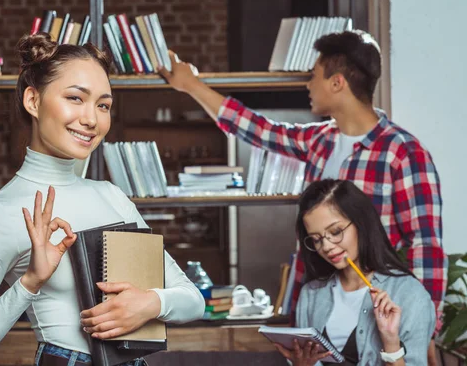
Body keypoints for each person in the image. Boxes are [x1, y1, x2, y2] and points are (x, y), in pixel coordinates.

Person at [159, 30, 446, 362]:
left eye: (314, 76)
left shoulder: (403, 153)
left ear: (337, 82)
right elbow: (257, 129)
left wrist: (426, 330)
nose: (308, 85)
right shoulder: (319, 140)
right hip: (320, 304)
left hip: (378, 311)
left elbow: (426, 244)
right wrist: (192, 86)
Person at [0, 33, 205, 366]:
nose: (92, 119)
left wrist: (151, 303)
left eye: (103, 105)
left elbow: (193, 299)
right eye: (76, 98)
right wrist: (29, 282)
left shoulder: (112, 196)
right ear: (33, 101)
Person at [274, 179, 435, 365]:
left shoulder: (410, 295)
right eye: (316, 239)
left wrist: (390, 341)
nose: (326, 246)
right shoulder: (311, 294)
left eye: (335, 232)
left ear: (361, 223)